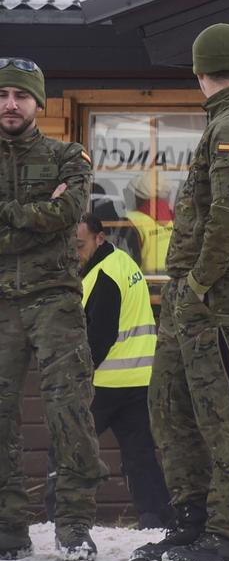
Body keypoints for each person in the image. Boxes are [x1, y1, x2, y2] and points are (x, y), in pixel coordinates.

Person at [130, 24, 229, 561]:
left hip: (216, 298)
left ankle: (225, 536)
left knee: (223, 415)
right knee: (172, 406)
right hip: (193, 298)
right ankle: (191, 521)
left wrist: (196, 283)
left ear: (200, 71)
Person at [0, 57, 108, 561]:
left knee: (69, 411)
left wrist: (10, 213)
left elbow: (67, 213)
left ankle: (74, 525)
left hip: (55, 301)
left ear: (38, 103)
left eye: (20, 95)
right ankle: (8, 526)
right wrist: (35, 218)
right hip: (2, 303)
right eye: (2, 95)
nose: (10, 104)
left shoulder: (70, 155)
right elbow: (50, 216)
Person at [44, 214, 170, 530]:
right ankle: (155, 516)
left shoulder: (103, 276)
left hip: (103, 383)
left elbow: (99, 337)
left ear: (100, 238)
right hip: (138, 378)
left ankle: (56, 515)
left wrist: (76, 377)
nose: (76, 251)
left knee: (67, 444)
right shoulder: (123, 263)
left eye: (80, 244)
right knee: (140, 454)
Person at [125, 172, 174, 275]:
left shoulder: (131, 220)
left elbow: (125, 264)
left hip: (145, 283)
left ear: (138, 197)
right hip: (171, 283)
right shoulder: (175, 218)